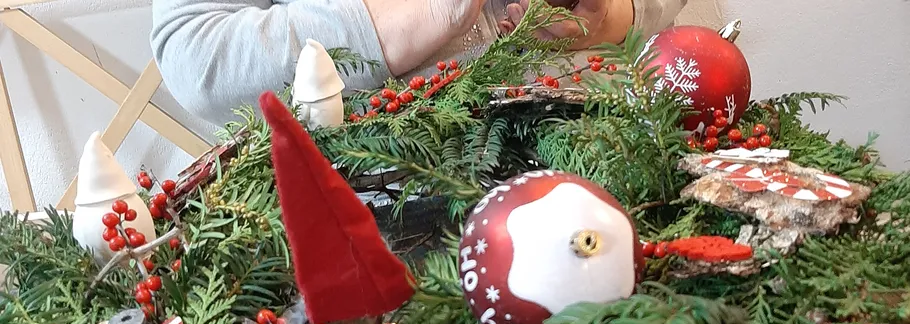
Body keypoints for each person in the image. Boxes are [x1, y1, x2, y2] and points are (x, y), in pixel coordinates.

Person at [151, 0, 687, 125]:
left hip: (613, 146)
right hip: (376, 204)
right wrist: (429, 13)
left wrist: (614, 15)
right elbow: (199, 58)